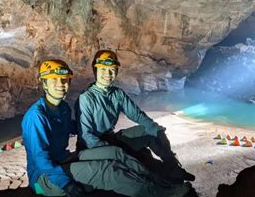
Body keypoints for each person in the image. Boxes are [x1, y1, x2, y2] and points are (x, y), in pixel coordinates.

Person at [21, 59, 190, 197]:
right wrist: (65, 183)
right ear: (44, 84)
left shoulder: (63, 108)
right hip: (43, 178)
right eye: (54, 81)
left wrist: (89, 128)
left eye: (64, 80)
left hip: (65, 159)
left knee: (116, 153)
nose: (60, 84)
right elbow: (40, 159)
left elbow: (72, 128)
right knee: (106, 170)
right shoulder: (36, 116)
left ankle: (157, 181)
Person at [75, 50, 195, 183]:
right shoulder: (86, 98)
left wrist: (156, 129)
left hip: (111, 138)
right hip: (93, 146)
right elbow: (86, 136)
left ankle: (173, 166)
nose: (108, 74)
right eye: (103, 70)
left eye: (112, 70)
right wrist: (111, 149)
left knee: (152, 131)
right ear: (95, 70)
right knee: (141, 163)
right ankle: (156, 178)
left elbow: (136, 114)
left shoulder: (117, 94)